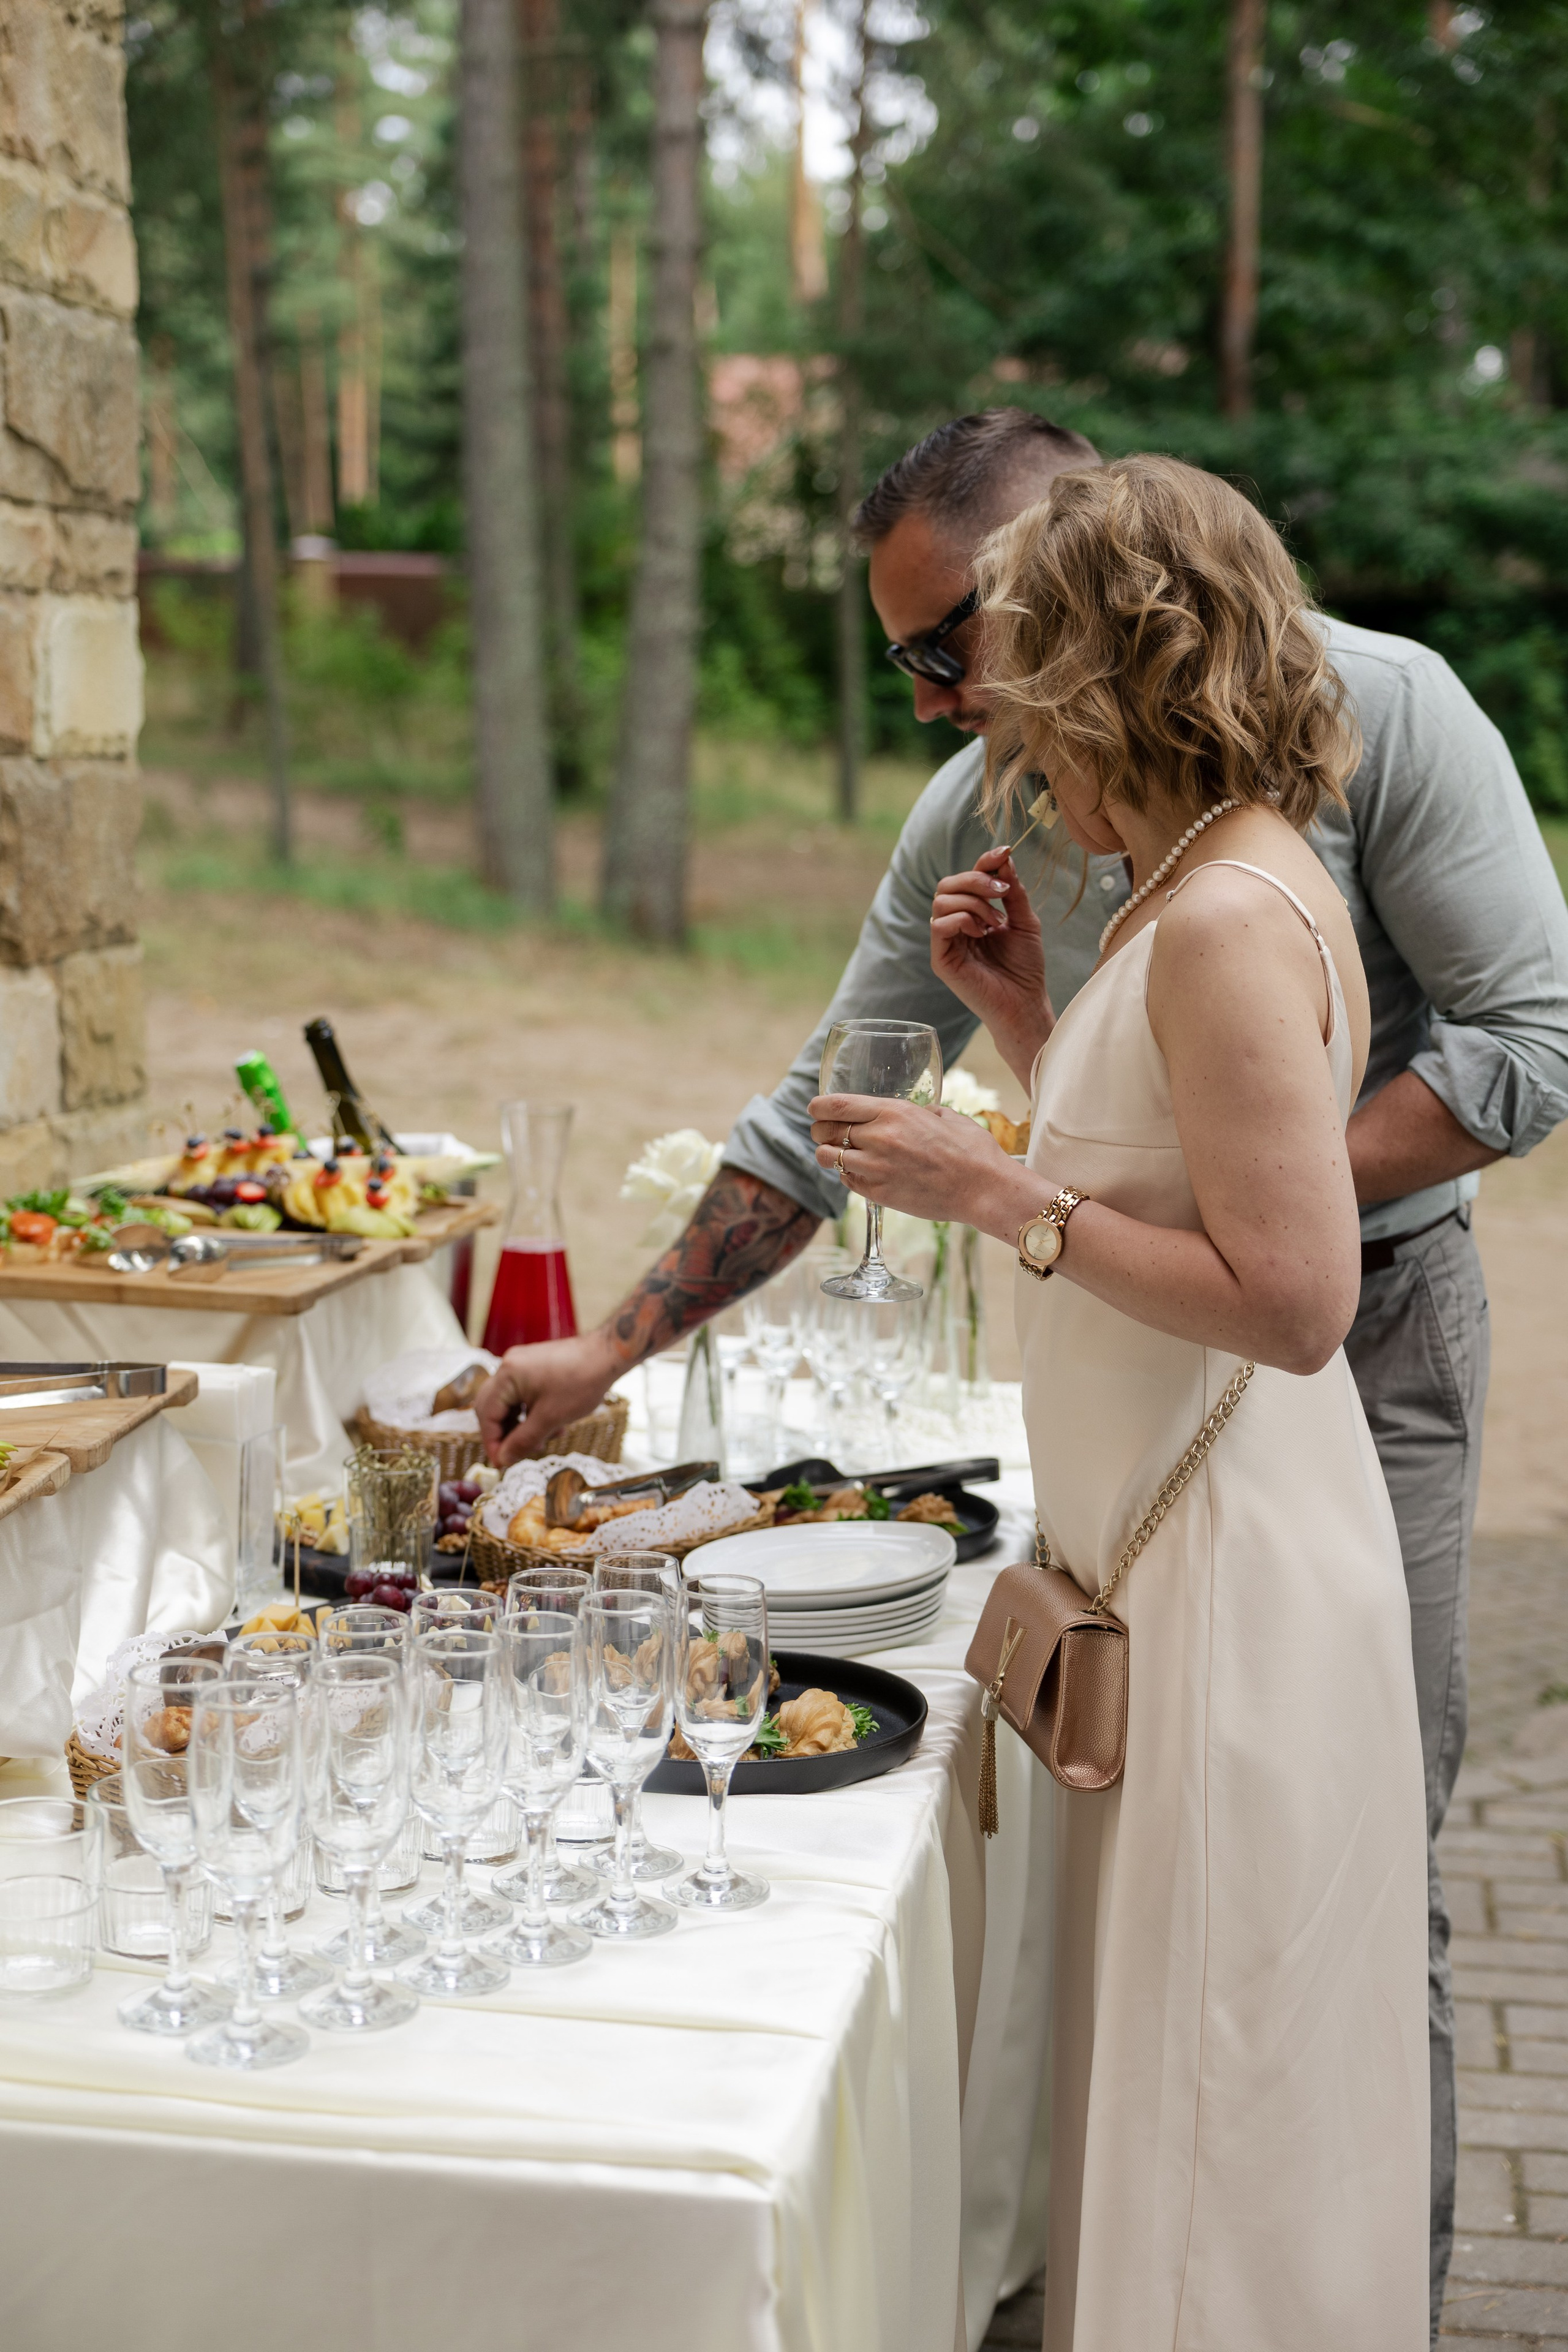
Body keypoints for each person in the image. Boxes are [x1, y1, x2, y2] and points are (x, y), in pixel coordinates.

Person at [477, 409, 1568, 2332]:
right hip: (1149, 1387)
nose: (930, 709)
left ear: (1080, 581)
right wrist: (615, 1342)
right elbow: (842, 1107)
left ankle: (1355, 2282)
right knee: (1168, 1892)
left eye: (942, 652)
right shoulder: (1005, 809)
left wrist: (1086, 1185)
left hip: (1336, 1365)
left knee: (1336, 1877)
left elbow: (1518, 1051)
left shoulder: (1375, 730)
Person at [811, 451, 1431, 2346]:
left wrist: (995, 1189)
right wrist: (1019, 1016)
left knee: (1217, 2131)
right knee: (1176, 2110)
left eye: (1019, 670)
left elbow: (1297, 1300)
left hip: (1232, 1586)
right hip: (1172, 1561)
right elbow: (1179, 1165)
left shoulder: (1233, 917)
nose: (987, 717)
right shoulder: (1192, 885)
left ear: (1113, 672)